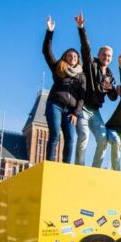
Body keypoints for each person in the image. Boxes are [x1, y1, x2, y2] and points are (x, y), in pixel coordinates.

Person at [74, 11, 120, 169]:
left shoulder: (110, 73)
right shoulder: (91, 63)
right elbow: (86, 48)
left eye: (109, 56)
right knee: (83, 136)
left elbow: (113, 97)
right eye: (104, 54)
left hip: (95, 111)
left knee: (102, 139)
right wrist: (81, 28)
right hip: (82, 107)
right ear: (99, 54)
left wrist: (114, 90)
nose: (106, 58)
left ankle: (95, 169)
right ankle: (79, 168)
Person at [43, 16, 86, 163]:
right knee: (54, 134)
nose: (72, 57)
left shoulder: (81, 75)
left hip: (70, 111)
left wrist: (76, 113)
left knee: (70, 138)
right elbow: (46, 52)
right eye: (69, 55)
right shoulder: (58, 68)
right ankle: (49, 163)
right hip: (55, 105)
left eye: (75, 56)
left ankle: (66, 166)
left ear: (77, 59)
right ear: (65, 57)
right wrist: (50, 32)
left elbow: (82, 96)